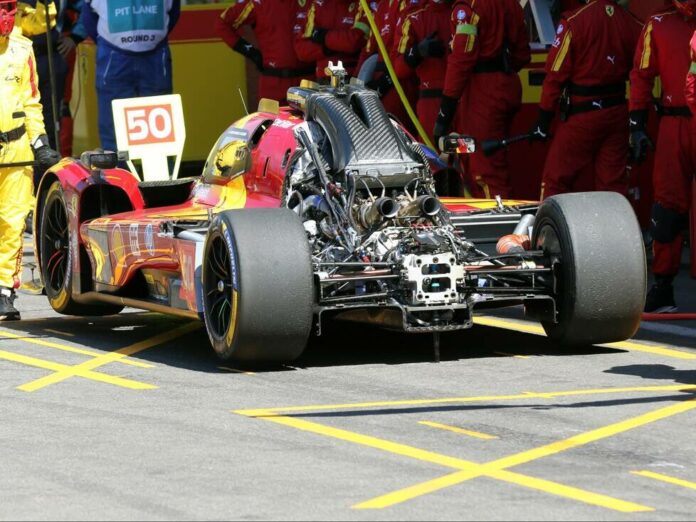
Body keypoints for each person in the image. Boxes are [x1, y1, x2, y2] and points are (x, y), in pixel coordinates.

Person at [528, 0, 642, 200]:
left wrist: (543, 121)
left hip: (581, 117)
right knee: (613, 189)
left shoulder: (574, 22)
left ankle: (551, 222)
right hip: (617, 115)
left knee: (555, 181)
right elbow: (640, 75)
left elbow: (554, 76)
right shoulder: (632, 23)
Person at [629, 0, 696, 313]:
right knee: (667, 205)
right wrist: (637, 123)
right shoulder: (657, 24)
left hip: (677, 124)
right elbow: (641, 74)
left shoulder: (657, 24)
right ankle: (663, 286)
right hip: (673, 124)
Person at [0, 0, 60, 320]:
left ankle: (4, 291)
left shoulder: (23, 48)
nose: (6, 16)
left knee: (12, 223)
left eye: (10, 9)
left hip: (17, 149)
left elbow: (31, 102)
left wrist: (40, 143)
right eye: (1, 8)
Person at [433, 0, 530, 199]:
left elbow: (461, 60)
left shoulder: (467, 8)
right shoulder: (511, 4)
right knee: (479, 159)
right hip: (505, 87)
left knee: (484, 169)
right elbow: (522, 55)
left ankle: (499, 217)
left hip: (482, 95)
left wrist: (444, 112)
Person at [81, 0, 181, 152]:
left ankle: (159, 167)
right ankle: (117, 167)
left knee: (159, 128)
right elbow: (88, 18)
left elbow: (174, 12)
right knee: (114, 129)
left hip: (149, 56)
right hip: (116, 56)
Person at [216, 0, 314, 104]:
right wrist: (252, 53)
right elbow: (222, 24)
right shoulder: (258, 3)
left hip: (307, 83)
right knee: (270, 115)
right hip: (273, 85)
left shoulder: (312, 2)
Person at [392, 0, 451, 143]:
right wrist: (417, 52)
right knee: (433, 153)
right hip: (432, 100)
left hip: (466, 101)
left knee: (466, 150)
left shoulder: (465, 10)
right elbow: (398, 68)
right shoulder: (413, 16)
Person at [16, 0, 68, 152]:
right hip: (15, 61)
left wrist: (76, 36)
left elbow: (45, 21)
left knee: (51, 121)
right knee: (18, 117)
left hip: (48, 57)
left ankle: (50, 160)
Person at [293, 0, 366, 81]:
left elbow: (354, 42)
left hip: (352, 78)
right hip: (322, 80)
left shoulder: (364, 4)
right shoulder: (318, 4)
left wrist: (323, 36)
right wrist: (327, 48)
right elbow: (302, 49)